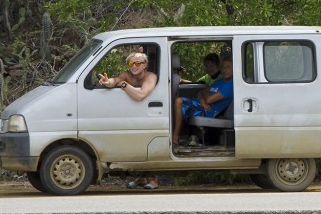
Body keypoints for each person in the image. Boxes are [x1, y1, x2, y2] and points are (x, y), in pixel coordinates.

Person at [98, 51, 160, 189]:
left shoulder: (151, 77)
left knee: (152, 149)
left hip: (152, 115)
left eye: (138, 63)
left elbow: (141, 95)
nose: (134, 66)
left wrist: (124, 85)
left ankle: (154, 180)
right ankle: (141, 178)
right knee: (138, 148)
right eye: (132, 63)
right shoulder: (127, 75)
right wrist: (108, 82)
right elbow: (115, 81)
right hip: (134, 116)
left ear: (145, 65)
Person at [172, 57, 233, 146]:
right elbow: (202, 91)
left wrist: (204, 98)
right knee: (177, 104)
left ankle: (175, 137)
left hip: (207, 111)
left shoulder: (230, 85)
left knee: (179, 101)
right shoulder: (219, 82)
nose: (224, 70)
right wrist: (202, 100)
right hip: (201, 105)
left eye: (228, 67)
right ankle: (181, 136)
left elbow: (209, 99)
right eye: (223, 67)